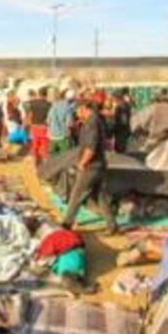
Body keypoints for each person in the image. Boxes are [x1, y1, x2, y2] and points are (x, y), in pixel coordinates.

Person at [61, 100, 115, 235]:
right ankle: (112, 225)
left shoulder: (92, 123)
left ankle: (66, 224)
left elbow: (91, 147)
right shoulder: (92, 121)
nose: (77, 114)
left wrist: (82, 163)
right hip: (98, 164)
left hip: (91, 166)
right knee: (100, 197)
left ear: (84, 108)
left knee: (76, 195)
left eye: (78, 111)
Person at [24, 89, 51, 165]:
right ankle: (45, 162)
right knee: (44, 145)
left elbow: (25, 106)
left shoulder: (32, 103)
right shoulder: (49, 104)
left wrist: (28, 119)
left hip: (34, 126)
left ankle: (35, 162)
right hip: (44, 127)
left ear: (39, 94)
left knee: (35, 144)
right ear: (46, 95)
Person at [47, 89, 74, 156]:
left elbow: (48, 121)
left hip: (52, 134)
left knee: (53, 156)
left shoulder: (53, 106)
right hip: (63, 135)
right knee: (65, 155)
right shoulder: (67, 107)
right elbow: (69, 123)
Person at [111, 88, 132, 154]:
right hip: (123, 130)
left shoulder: (121, 106)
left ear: (117, 98)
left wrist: (115, 126)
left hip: (121, 131)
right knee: (121, 148)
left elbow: (124, 120)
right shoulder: (125, 105)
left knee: (120, 149)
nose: (113, 100)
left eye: (113, 98)